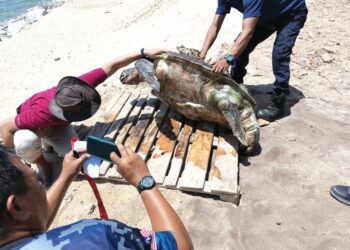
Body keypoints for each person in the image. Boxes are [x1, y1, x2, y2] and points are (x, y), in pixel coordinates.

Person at [0, 48, 165, 183]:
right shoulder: (40, 114)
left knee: (79, 160)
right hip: (35, 127)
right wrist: (17, 162)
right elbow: (5, 127)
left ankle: (48, 145)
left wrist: (143, 52)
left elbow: (112, 65)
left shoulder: (79, 88)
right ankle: (44, 164)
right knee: (25, 142)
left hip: (59, 126)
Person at [0, 143, 193, 249]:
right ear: (17, 207)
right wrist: (144, 180)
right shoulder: (96, 238)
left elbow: (30, 224)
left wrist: (64, 177)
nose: (42, 186)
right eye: (36, 180)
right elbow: (179, 246)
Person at [199, 0, 308, 121]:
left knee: (280, 54)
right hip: (266, 15)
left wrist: (227, 59)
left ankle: (279, 99)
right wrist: (202, 53)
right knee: (241, 48)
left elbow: (248, 33)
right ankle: (236, 84)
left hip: (291, 14)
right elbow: (215, 25)